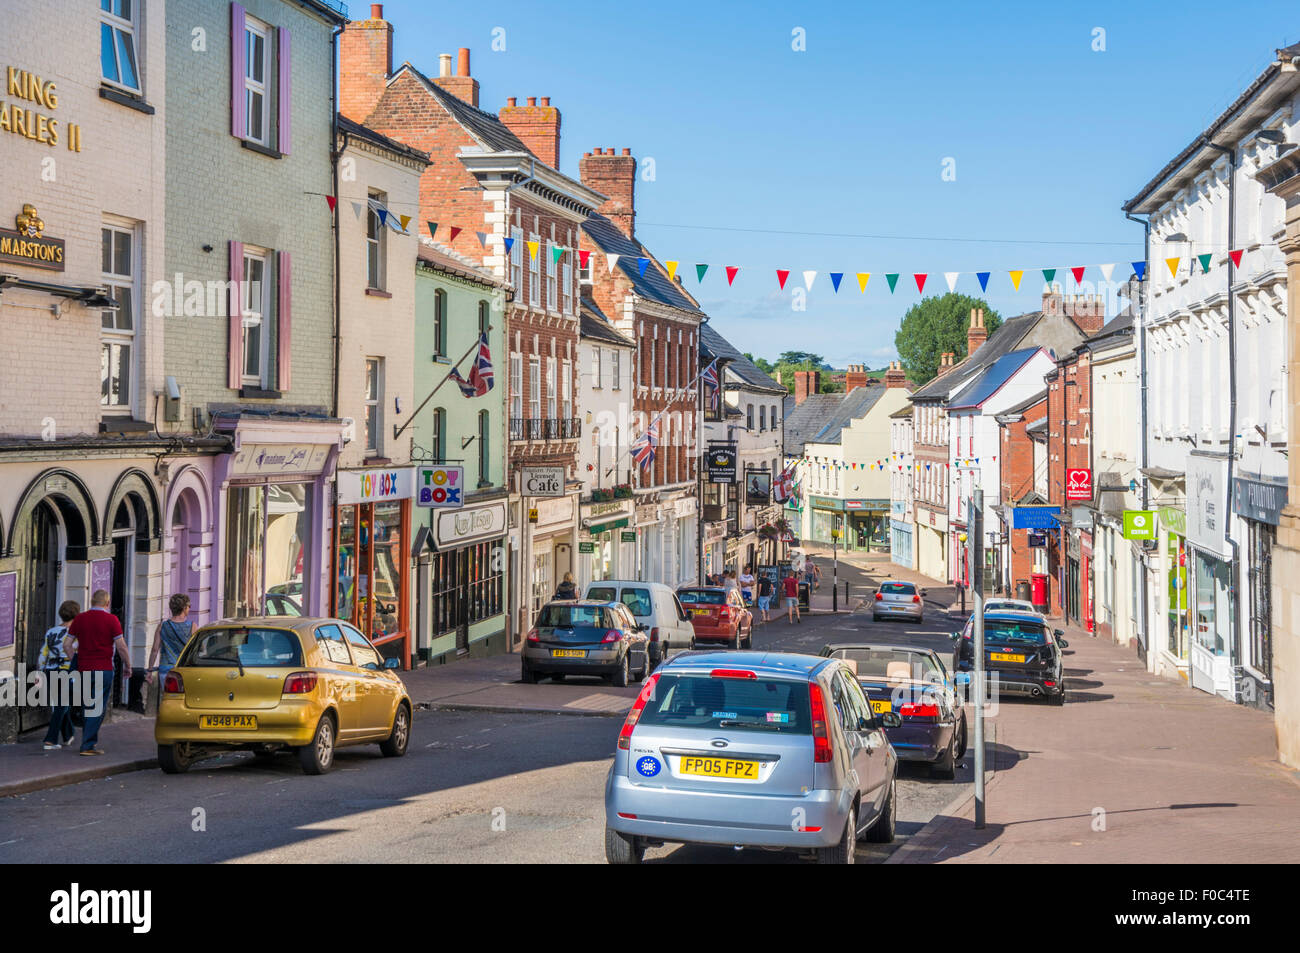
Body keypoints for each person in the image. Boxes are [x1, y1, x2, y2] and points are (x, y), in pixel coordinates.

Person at [67, 590, 131, 756]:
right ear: (107, 603)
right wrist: (128, 665)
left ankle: (87, 741)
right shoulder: (112, 620)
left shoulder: (80, 619)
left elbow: (67, 644)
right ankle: (88, 745)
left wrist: (75, 659)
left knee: (87, 705)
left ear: (91, 600)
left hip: (84, 668)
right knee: (97, 707)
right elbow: (121, 646)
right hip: (103, 668)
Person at [40, 600, 81, 750]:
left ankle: (68, 734)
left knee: (60, 704)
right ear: (77, 615)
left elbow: (43, 653)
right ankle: (50, 739)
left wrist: (40, 670)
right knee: (62, 705)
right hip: (67, 670)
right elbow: (77, 652)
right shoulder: (75, 634)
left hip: (51, 669)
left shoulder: (51, 632)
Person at [146, 594, 193, 693]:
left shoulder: (162, 626)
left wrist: (150, 670)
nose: (189, 609)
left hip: (165, 669)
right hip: (184, 669)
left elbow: (155, 650)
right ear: (184, 608)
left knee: (168, 698)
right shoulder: (192, 626)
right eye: (189, 606)